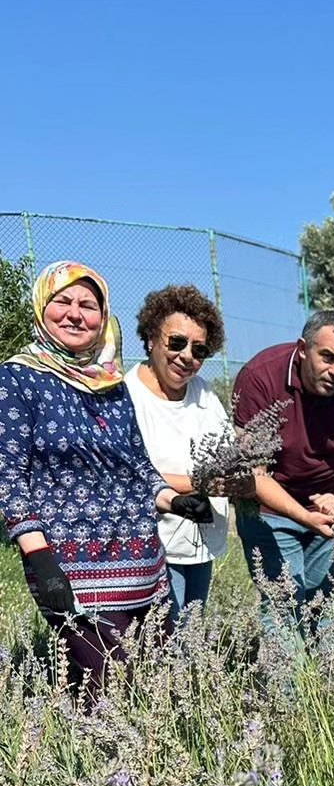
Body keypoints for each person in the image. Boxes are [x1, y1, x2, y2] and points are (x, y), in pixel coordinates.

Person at [0, 261, 207, 692]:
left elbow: (137, 469)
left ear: (103, 316)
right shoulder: (17, 379)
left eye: (88, 305)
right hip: (69, 564)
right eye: (63, 301)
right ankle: (98, 758)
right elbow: (8, 475)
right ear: (42, 308)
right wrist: (39, 558)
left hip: (143, 564)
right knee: (108, 682)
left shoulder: (112, 386)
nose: (76, 313)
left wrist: (172, 499)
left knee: (156, 679)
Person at [231, 310, 334, 634]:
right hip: (270, 507)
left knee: (331, 610)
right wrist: (302, 516)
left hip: (333, 508)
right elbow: (254, 474)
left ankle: (329, 685)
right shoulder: (260, 377)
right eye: (328, 357)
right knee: (283, 607)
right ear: (303, 348)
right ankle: (286, 686)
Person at [125, 284, 251, 621]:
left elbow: (228, 453)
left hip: (200, 544)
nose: (187, 357)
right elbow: (127, 475)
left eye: (199, 350)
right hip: (153, 546)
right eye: (176, 343)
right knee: (164, 645)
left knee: (187, 638)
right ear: (151, 338)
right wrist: (200, 482)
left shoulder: (204, 394)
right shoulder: (126, 397)